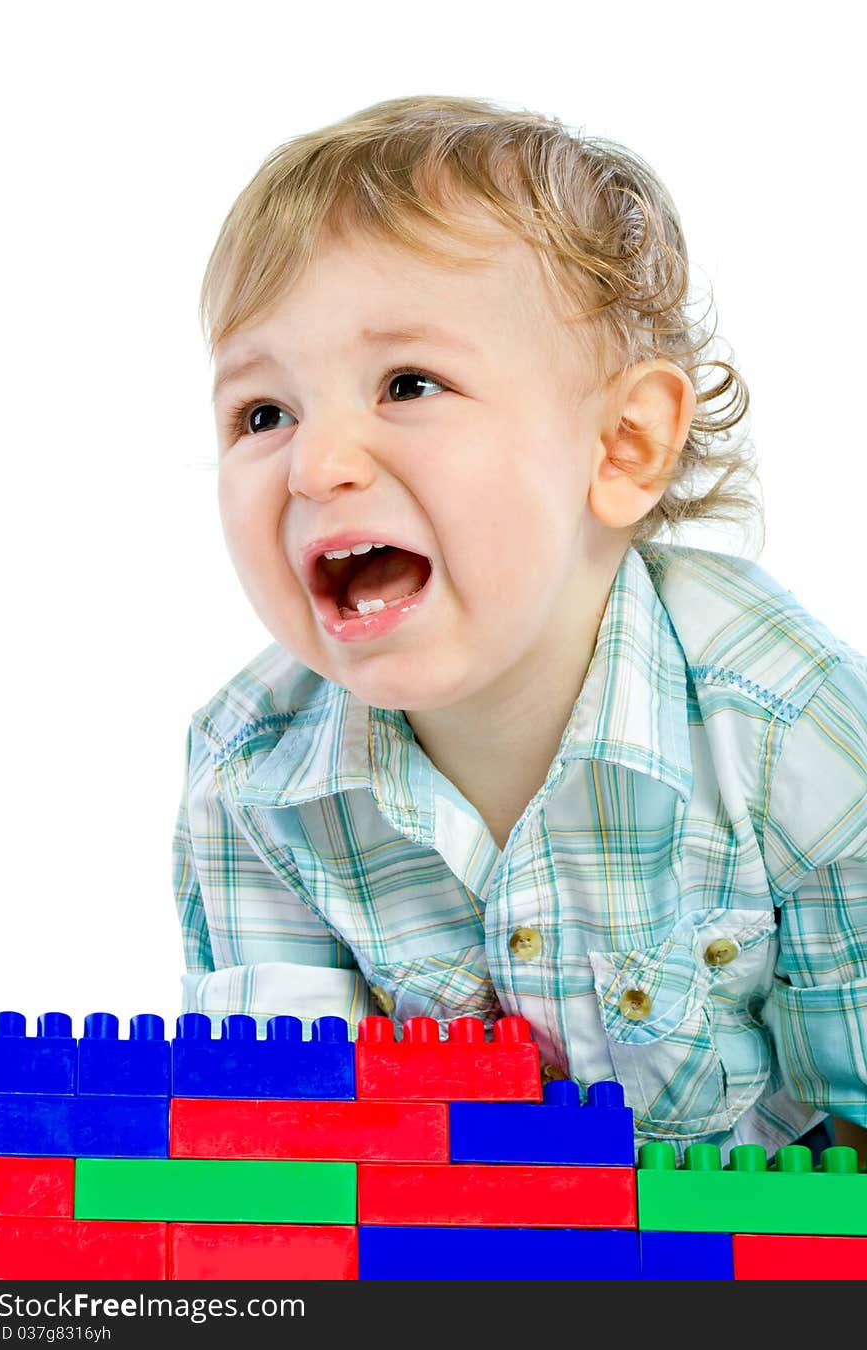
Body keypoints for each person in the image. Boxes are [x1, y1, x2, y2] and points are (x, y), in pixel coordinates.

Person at [172, 94, 867, 1162]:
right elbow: (285, 1154)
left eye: (407, 384)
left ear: (622, 447)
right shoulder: (249, 774)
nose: (316, 465)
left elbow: (855, 1131)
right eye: (263, 414)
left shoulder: (789, 730)